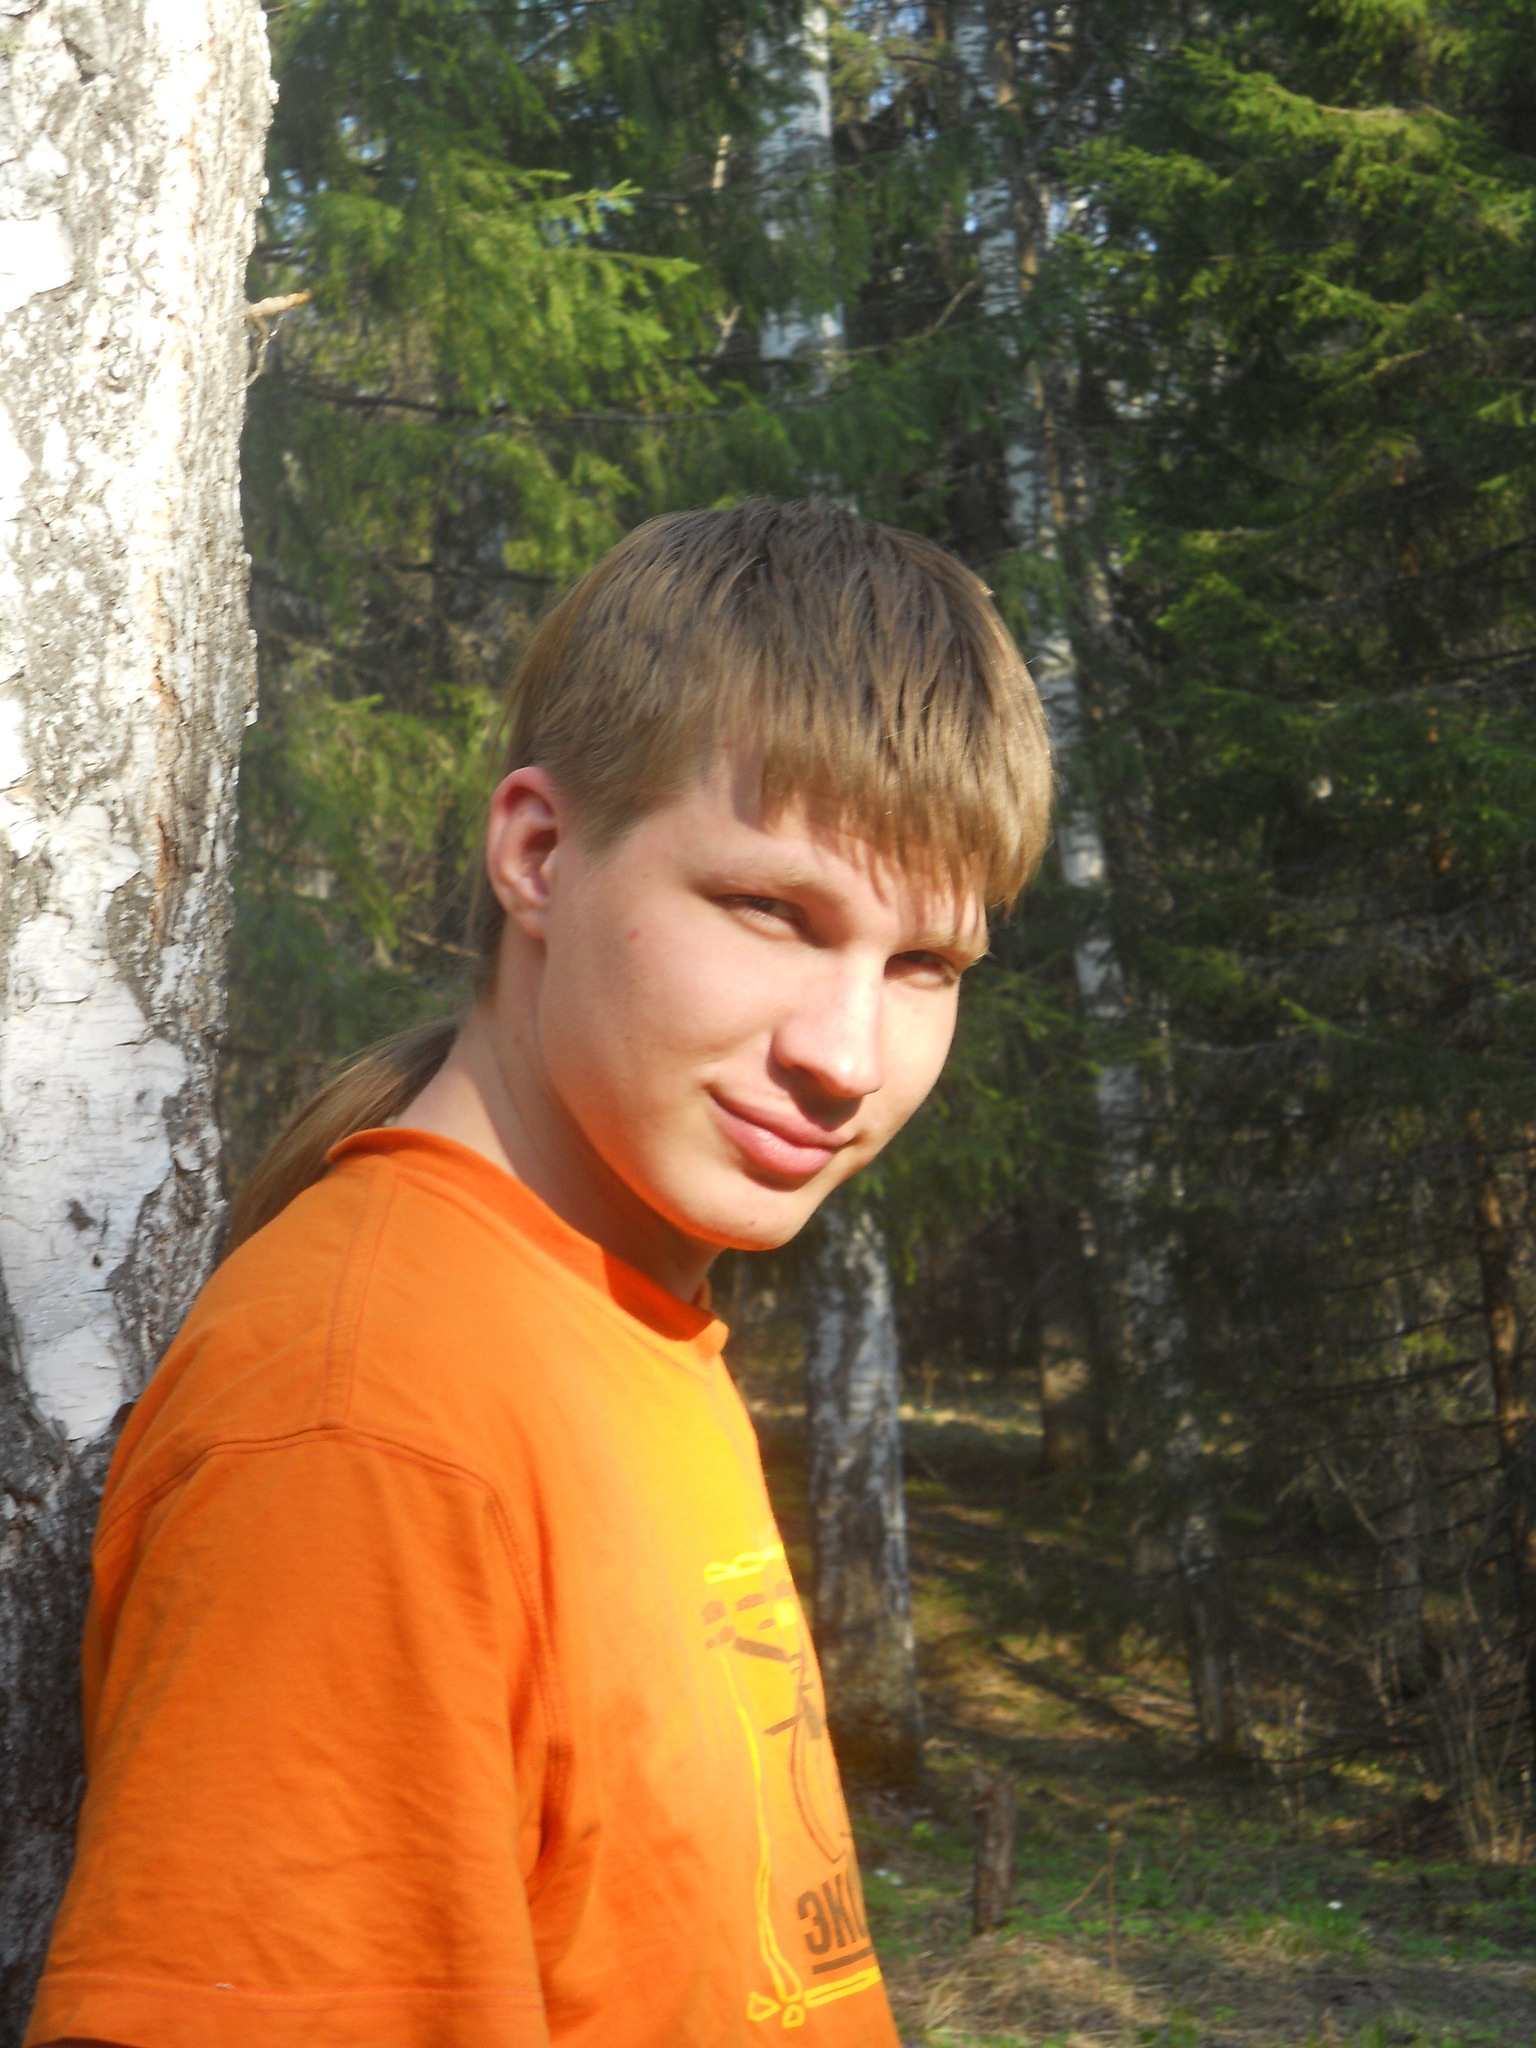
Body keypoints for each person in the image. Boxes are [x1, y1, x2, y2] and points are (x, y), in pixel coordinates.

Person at [27, 499, 1051, 2048]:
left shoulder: (602, 1317)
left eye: (925, 966)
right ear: (539, 855)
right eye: (773, 911)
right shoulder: (366, 1429)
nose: (848, 1058)